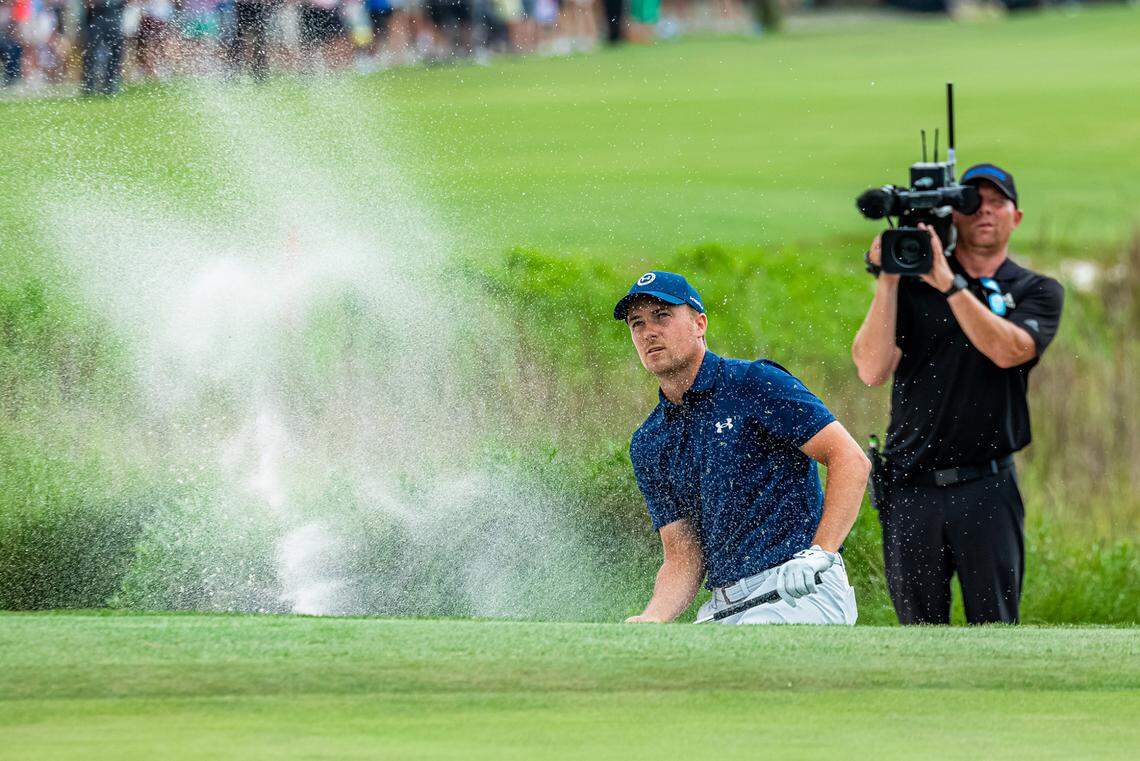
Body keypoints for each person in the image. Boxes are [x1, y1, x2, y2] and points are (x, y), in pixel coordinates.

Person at [851, 164, 1064, 625]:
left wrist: (949, 284)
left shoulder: (1035, 290)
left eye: (996, 203)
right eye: (973, 203)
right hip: (911, 486)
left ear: (1016, 217)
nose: (984, 211)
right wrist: (889, 278)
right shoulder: (911, 288)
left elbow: (1010, 351)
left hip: (986, 486)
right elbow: (870, 369)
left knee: (995, 629)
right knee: (918, 631)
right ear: (955, 215)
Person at [617, 271, 868, 625]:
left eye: (662, 315)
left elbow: (850, 459)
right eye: (636, 323)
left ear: (699, 323)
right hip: (724, 606)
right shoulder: (650, 440)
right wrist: (652, 619)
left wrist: (820, 552)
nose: (649, 332)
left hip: (797, 590)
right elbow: (683, 556)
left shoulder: (753, 383)